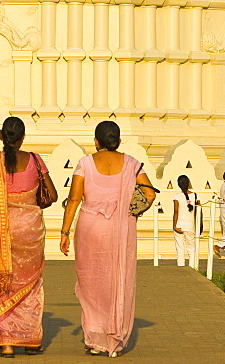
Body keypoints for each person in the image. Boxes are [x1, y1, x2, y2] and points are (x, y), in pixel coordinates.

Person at [59, 120, 155, 358]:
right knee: (118, 280)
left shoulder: (84, 164)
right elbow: (150, 192)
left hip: (91, 227)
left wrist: (64, 232)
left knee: (91, 283)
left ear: (96, 141)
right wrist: (128, 208)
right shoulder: (133, 164)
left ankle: (94, 339)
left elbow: (73, 200)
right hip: (120, 228)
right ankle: (116, 340)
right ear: (119, 141)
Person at [0, 116, 58, 358]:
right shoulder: (35, 159)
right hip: (30, 231)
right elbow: (53, 194)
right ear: (23, 138)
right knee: (30, 285)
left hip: (2, 232)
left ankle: (6, 341)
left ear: (1, 136)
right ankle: (29, 340)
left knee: (3, 284)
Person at [172, 174, 199, 267]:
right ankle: (192, 269)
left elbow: (176, 212)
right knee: (191, 249)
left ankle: (181, 269)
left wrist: (174, 226)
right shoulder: (196, 196)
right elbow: (199, 211)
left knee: (180, 249)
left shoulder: (176, 196)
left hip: (179, 224)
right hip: (191, 226)